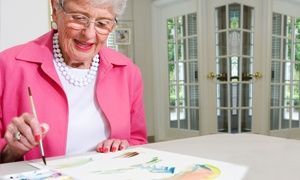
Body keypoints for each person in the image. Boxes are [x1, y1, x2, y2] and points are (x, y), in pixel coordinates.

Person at [0, 0, 147, 163]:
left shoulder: (128, 72)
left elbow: (138, 142)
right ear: (56, 10)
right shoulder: (7, 66)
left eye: (102, 23)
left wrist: (123, 147)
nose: (89, 34)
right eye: (78, 18)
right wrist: (12, 150)